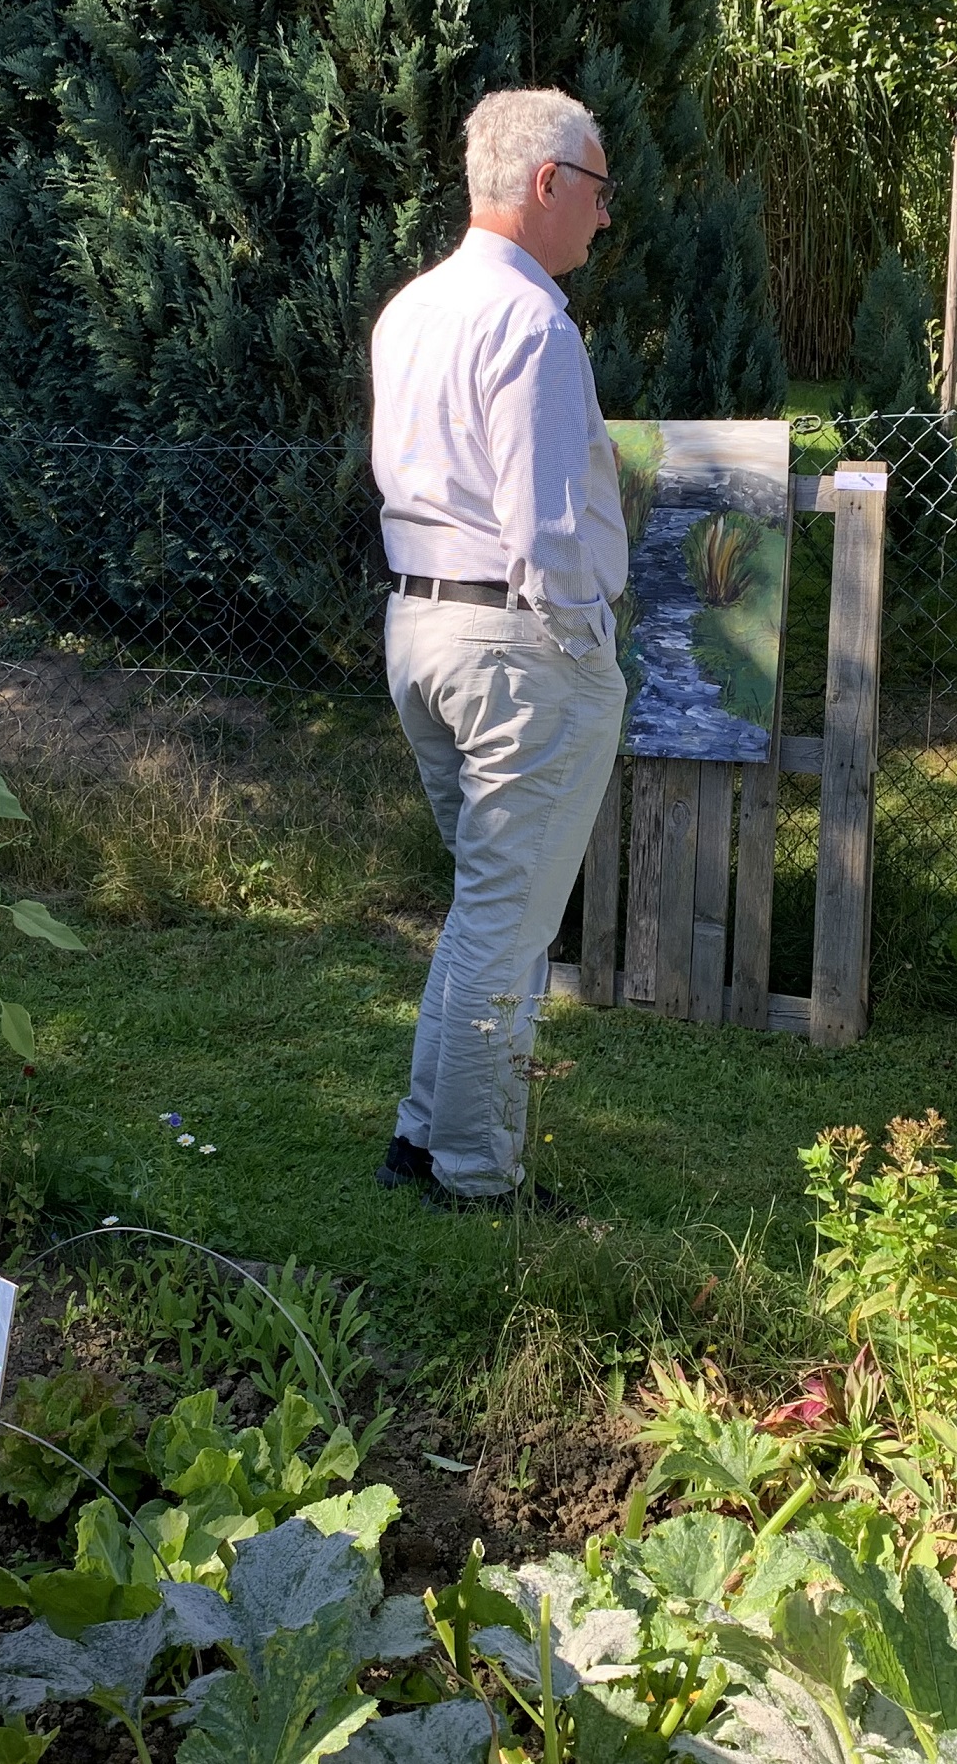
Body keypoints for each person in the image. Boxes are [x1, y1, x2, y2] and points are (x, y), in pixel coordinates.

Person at [367, 87, 629, 1211]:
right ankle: (474, 1174)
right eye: (601, 189)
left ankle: (426, 1137)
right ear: (547, 182)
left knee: (491, 905)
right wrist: (587, 645)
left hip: (423, 625)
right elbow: (550, 526)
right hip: (518, 642)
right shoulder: (531, 323)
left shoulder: (412, 307)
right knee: (504, 914)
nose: (606, 218)